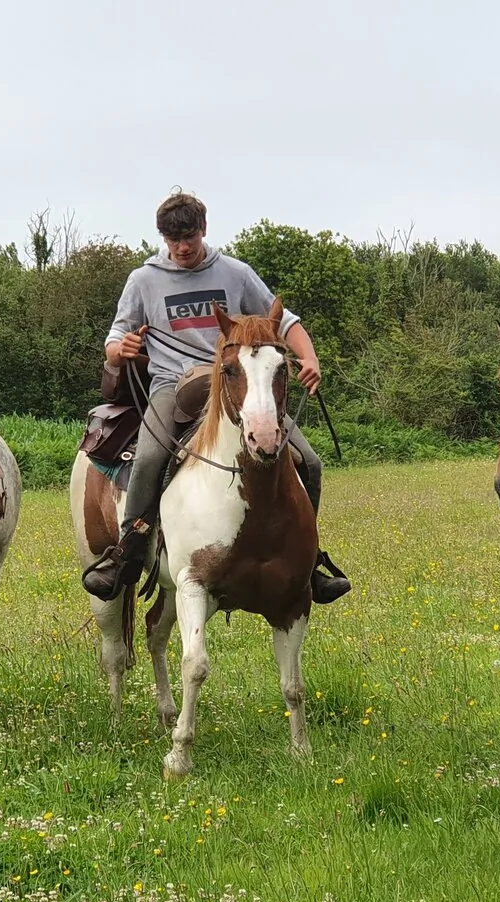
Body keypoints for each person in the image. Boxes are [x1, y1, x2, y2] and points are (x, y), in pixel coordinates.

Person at [80, 192, 350, 604]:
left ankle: (308, 562)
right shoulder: (144, 280)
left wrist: (309, 356)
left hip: (237, 384)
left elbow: (287, 321)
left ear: (203, 230)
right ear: (163, 238)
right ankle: (127, 556)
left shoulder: (234, 273)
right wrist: (120, 350)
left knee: (309, 462)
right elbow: (115, 338)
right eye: (173, 240)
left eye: (188, 237)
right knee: (149, 459)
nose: (182, 247)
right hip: (172, 385)